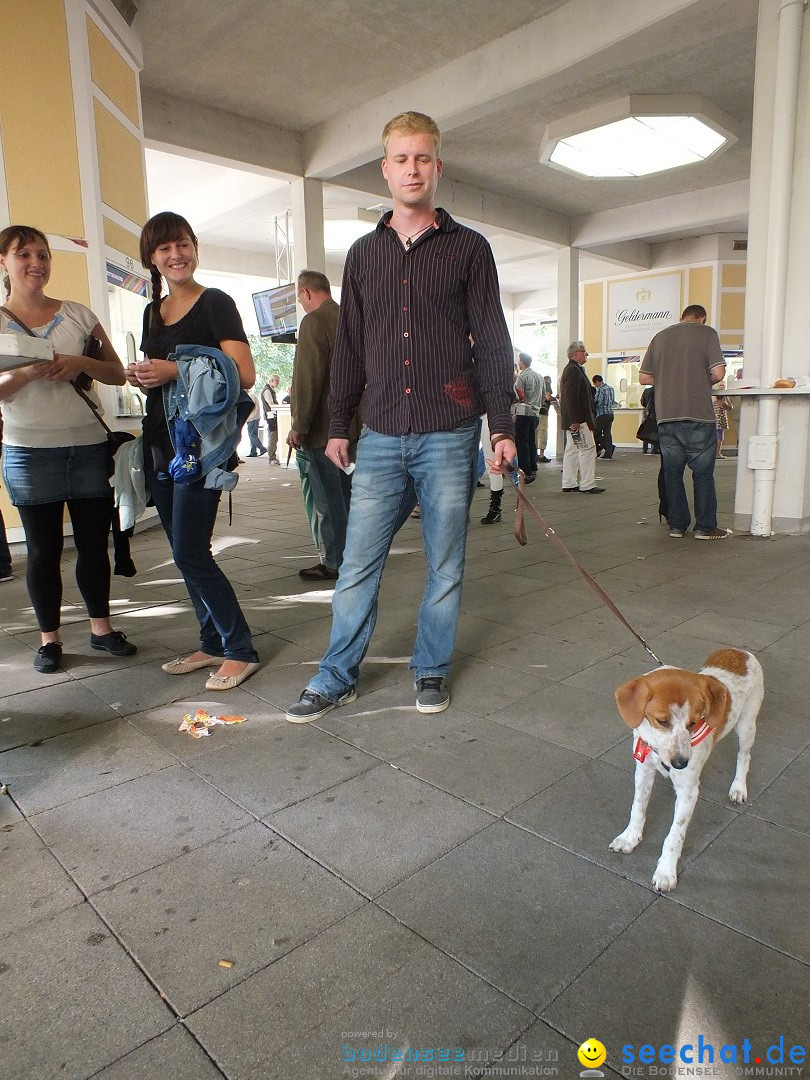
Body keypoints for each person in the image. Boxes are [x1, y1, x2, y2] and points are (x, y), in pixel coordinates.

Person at [286, 110, 516, 722]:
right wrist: (339, 424)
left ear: (437, 167)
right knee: (358, 560)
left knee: (445, 561)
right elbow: (352, 347)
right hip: (382, 433)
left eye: (423, 158)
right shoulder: (362, 255)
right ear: (385, 170)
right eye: (401, 159)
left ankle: (432, 668)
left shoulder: (470, 249)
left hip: (449, 429)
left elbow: (491, 338)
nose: (412, 169)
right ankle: (337, 673)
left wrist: (503, 426)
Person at [127, 211, 259, 688]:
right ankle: (210, 642)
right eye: (164, 249)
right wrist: (146, 375)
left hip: (204, 446)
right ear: (152, 259)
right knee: (186, 549)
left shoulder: (216, 303)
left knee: (189, 551)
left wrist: (173, 370)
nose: (175, 254)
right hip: (162, 443)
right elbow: (160, 387)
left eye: (182, 244)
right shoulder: (151, 312)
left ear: (195, 248)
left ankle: (240, 648)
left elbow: (244, 374)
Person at [0, 224, 136, 673]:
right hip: (28, 449)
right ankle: (49, 640)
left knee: (95, 546)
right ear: (4, 262)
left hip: (87, 444)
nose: (36, 263)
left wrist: (78, 363)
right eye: (24, 254)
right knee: (43, 550)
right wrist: (26, 374)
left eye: (43, 254)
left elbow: (117, 373)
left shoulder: (77, 314)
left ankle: (102, 628)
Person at [286, 270, 359, 580]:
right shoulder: (351, 319)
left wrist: (298, 424)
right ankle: (357, 556)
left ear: (306, 293)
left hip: (322, 432)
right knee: (350, 497)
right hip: (353, 427)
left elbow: (308, 378)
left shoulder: (314, 322)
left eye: (299, 298)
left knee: (329, 500)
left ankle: (334, 561)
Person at [640, 304, 727, 540]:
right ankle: (705, 527)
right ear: (702, 318)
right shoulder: (707, 333)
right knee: (703, 474)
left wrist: (669, 377)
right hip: (698, 414)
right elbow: (718, 374)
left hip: (667, 417)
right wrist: (700, 378)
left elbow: (644, 377)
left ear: (682, 318)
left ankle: (677, 526)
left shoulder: (660, 337)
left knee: (672, 473)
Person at [559, 341, 604, 494]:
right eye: (584, 352)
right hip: (579, 420)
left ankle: (569, 482)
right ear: (575, 353)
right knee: (587, 449)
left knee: (572, 450)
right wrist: (575, 420)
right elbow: (571, 397)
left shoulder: (574, 369)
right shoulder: (573, 370)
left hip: (575, 419)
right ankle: (587, 484)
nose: (587, 354)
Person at [513, 352, 543, 482]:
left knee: (522, 442)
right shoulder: (539, 376)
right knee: (532, 441)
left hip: (523, 413)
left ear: (521, 362)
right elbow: (542, 396)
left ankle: (525, 470)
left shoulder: (522, 376)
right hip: (535, 413)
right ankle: (533, 467)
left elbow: (519, 396)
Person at [592, 374, 616, 459]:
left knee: (595, 432)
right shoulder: (611, 388)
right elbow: (613, 401)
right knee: (607, 433)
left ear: (598, 381)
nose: (595, 386)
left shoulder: (600, 390)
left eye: (595, 384)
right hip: (610, 413)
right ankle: (608, 453)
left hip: (602, 414)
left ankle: (608, 447)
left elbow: (598, 401)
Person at [536, 375, 557, 463]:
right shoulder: (547, 384)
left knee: (536, 433)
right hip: (543, 412)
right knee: (543, 432)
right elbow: (548, 397)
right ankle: (541, 455)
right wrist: (555, 398)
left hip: (536, 411)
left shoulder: (538, 384)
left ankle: (535, 454)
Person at [261, 374, 281, 463]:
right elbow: (271, 404)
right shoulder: (267, 391)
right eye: (277, 381)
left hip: (270, 417)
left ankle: (272, 456)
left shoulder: (268, 390)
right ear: (272, 380)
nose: (278, 383)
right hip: (271, 417)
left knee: (273, 436)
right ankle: (272, 457)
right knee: (273, 436)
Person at [713, 382, 733, 458]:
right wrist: (727, 398)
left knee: (715, 437)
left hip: (714, 421)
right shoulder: (722, 402)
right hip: (720, 421)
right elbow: (730, 408)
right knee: (719, 437)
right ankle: (718, 453)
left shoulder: (714, 402)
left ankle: (715, 453)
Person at [245, 388, 267, 457]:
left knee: (252, 435)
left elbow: (251, 406)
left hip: (252, 418)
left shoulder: (251, 395)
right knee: (253, 435)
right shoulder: (252, 395)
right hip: (253, 418)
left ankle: (262, 448)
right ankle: (253, 452)